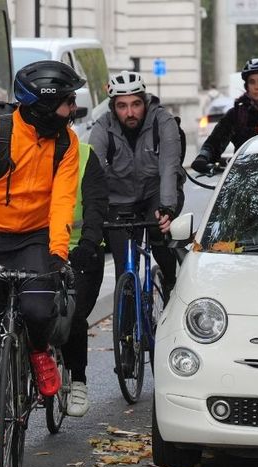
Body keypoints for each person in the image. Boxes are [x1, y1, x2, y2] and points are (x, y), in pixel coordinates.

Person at [0, 60, 83, 465]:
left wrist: (58, 253)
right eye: (66, 101)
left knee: (39, 309)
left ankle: (40, 350)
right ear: (43, 105)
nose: (72, 107)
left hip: (33, 239)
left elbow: (63, 200)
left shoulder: (67, 142)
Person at [88, 70, 183, 300]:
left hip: (156, 192)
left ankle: (171, 280)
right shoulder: (102, 128)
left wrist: (167, 208)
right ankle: (128, 322)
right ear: (113, 107)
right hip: (119, 199)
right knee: (125, 265)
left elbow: (169, 168)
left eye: (136, 104)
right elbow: (93, 174)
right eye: (122, 106)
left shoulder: (163, 122)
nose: (130, 113)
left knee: (157, 232)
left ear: (145, 102)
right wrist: (94, 214)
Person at [61, 141, 110, 417]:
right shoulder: (28, 150)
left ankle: (77, 379)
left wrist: (89, 244)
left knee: (73, 314)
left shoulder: (84, 153)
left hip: (81, 250)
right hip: (40, 249)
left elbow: (96, 205)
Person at [191, 57, 258, 174]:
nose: (257, 87)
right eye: (252, 82)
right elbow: (215, 142)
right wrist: (203, 157)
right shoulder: (236, 114)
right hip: (244, 176)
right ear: (247, 86)